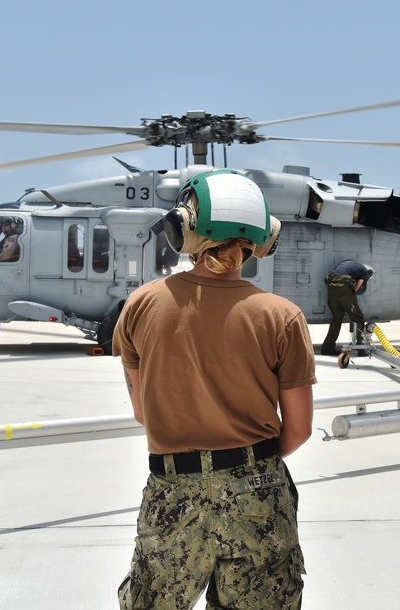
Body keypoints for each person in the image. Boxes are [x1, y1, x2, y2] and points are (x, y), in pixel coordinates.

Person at [113, 170, 316, 609]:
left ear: (184, 228)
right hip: (258, 489)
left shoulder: (141, 305)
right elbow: (298, 430)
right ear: (263, 237)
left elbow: (144, 414)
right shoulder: (283, 316)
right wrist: (243, 468)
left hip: (172, 488)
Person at [321, 259, 373, 356]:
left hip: (331, 285)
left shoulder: (348, 265)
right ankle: (361, 349)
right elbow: (356, 288)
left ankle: (327, 348)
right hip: (342, 285)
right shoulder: (364, 272)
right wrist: (349, 299)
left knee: (337, 318)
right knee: (358, 318)